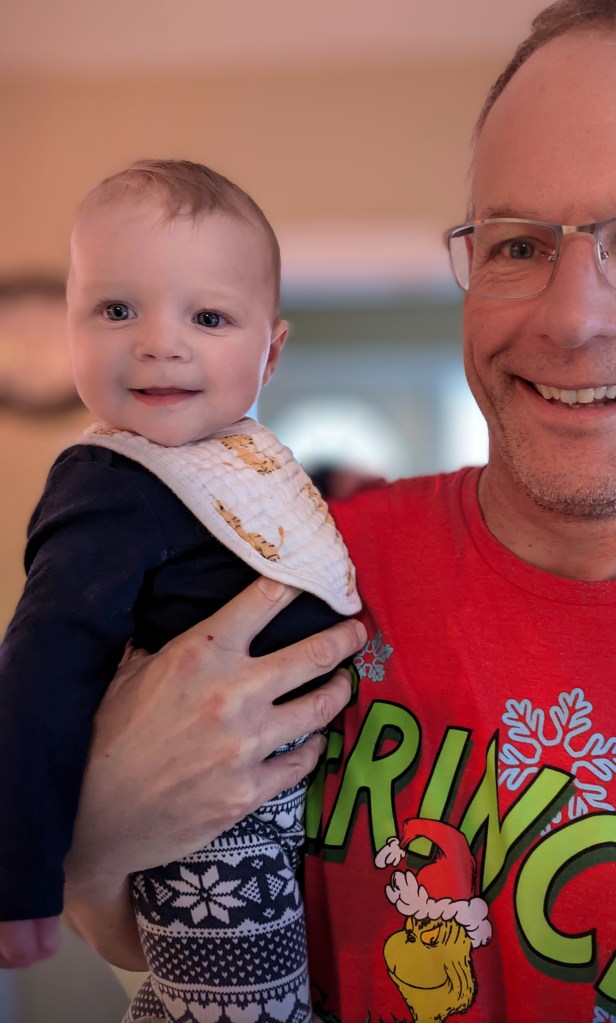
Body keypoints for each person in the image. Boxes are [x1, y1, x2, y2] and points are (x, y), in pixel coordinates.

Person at [63, 1, 616, 1020]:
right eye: (518, 245)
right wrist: (92, 837)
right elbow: (149, 929)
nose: (574, 318)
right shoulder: (289, 573)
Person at [0, 159, 362, 1022]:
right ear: (70, 326)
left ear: (271, 351)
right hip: (209, 830)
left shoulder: (232, 461)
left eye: (207, 316)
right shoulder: (112, 483)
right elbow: (39, 669)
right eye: (117, 310)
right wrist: (20, 874)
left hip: (274, 795)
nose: (159, 343)